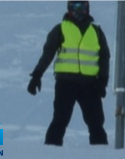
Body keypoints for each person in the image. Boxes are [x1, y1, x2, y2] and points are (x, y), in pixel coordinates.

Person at [27, 0, 110, 147]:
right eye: (75, 7)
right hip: (66, 83)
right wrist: (37, 75)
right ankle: (51, 151)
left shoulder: (96, 31)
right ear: (69, 9)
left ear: (87, 8)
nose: (79, 11)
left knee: (96, 122)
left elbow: (104, 56)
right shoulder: (61, 29)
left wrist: (102, 80)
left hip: (90, 84)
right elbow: (48, 54)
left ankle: (100, 153)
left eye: (82, 7)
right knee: (60, 119)